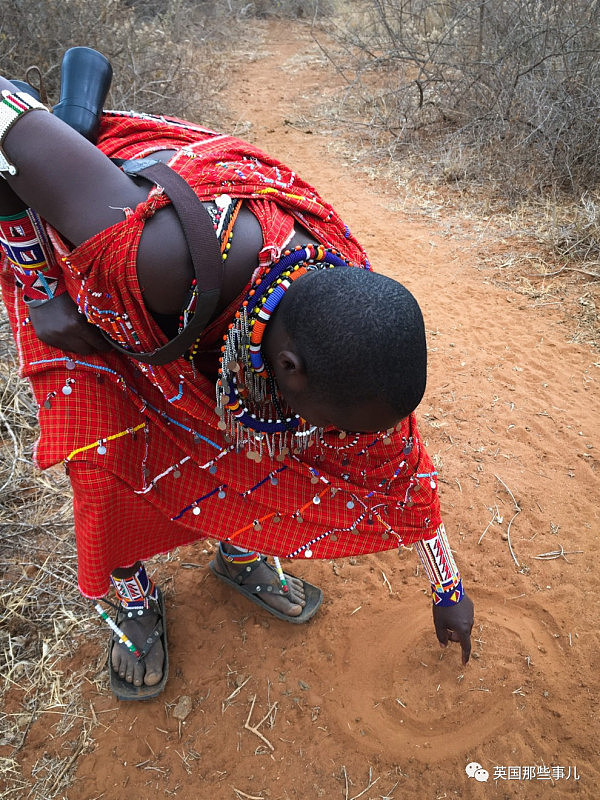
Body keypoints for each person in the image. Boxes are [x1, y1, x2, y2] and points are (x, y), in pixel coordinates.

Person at [0, 65, 474, 700]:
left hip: (199, 328)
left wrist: (449, 588)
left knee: (252, 452)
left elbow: (396, 467)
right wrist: (41, 288)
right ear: (287, 370)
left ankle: (242, 551)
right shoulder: (153, 255)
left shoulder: (345, 319)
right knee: (107, 463)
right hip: (96, 307)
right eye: (330, 422)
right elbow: (5, 118)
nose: (334, 439)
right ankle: (137, 602)